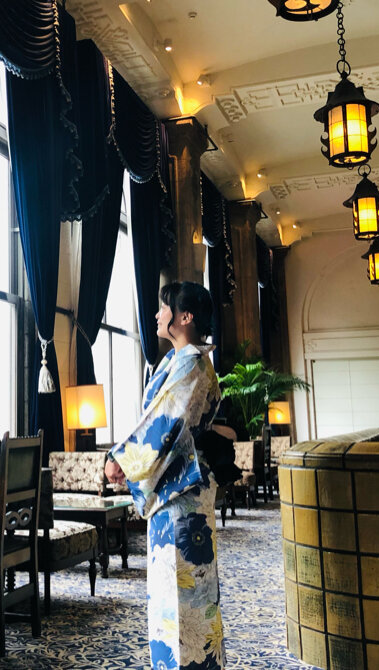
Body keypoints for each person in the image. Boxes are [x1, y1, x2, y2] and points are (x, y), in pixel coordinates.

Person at [105, 281, 224, 670]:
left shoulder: (190, 362)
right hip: (174, 489)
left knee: (184, 595)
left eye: (164, 308)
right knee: (175, 594)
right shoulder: (177, 360)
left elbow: (166, 421)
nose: (157, 315)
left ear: (185, 317)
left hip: (181, 495)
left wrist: (124, 461)